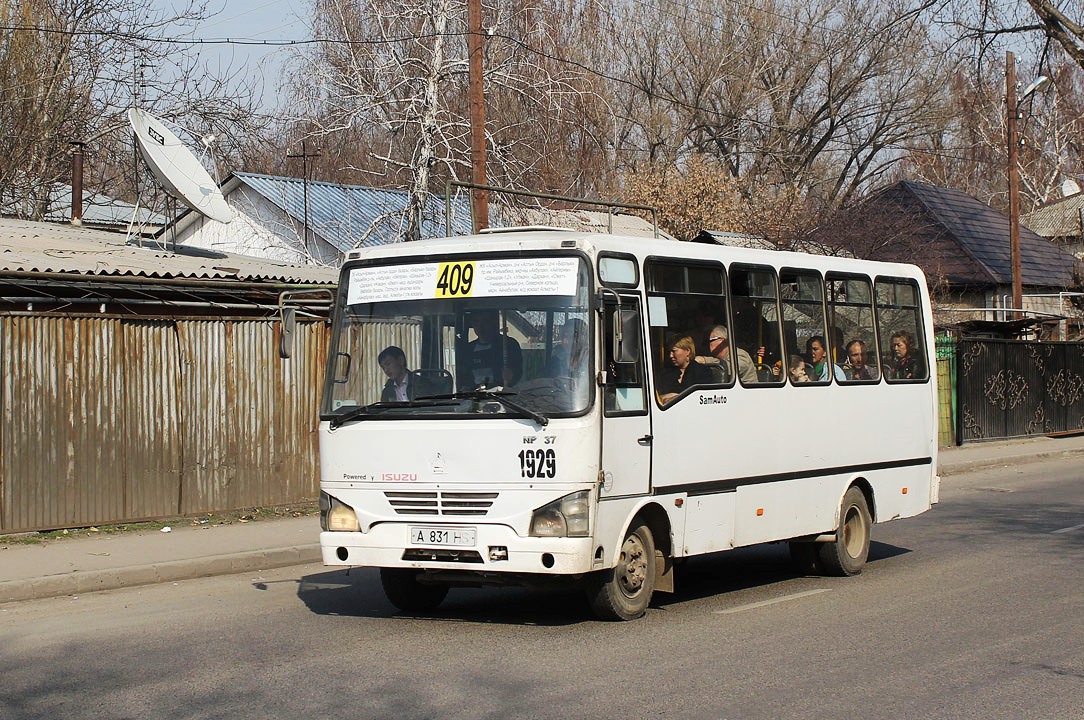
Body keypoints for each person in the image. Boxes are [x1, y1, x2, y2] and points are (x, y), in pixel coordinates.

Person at [465, 310, 523, 388]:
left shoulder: (508, 344)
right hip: (474, 397)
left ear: (493, 322)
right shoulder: (468, 349)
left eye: (485, 322)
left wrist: (511, 376)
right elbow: (465, 377)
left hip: (502, 397)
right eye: (476, 322)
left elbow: (518, 373)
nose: (480, 326)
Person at [658, 334, 714, 403]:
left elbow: (703, 398)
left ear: (688, 351)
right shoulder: (665, 372)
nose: (670, 355)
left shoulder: (703, 372)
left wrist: (676, 397)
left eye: (674, 351)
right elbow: (657, 397)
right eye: (669, 352)